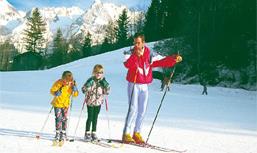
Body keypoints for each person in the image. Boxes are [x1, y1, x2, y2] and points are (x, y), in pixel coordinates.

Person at [122, 33, 182, 144]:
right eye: (134, 42)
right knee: (133, 108)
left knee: (142, 110)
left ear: (143, 43)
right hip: (133, 83)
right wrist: (136, 55)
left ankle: (137, 133)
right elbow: (127, 65)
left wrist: (174, 59)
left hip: (144, 85)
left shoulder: (149, 54)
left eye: (138, 43)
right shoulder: (129, 52)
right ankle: (126, 134)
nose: (136, 45)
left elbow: (162, 61)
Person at [82, 64, 110, 141]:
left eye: (100, 72)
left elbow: (107, 91)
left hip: (98, 102)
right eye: (97, 72)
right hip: (90, 101)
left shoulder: (103, 81)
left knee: (95, 117)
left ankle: (93, 132)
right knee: (90, 117)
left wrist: (105, 85)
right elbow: (83, 89)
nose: (98, 74)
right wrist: (88, 86)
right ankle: (87, 133)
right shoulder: (91, 80)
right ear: (94, 72)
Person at [50, 71, 79, 142]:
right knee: (58, 118)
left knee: (64, 118)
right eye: (66, 81)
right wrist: (55, 93)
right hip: (57, 103)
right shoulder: (58, 83)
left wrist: (75, 90)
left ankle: (63, 132)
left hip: (66, 104)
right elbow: (52, 91)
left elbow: (75, 95)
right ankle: (57, 133)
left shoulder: (72, 84)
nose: (67, 82)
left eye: (69, 81)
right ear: (63, 78)